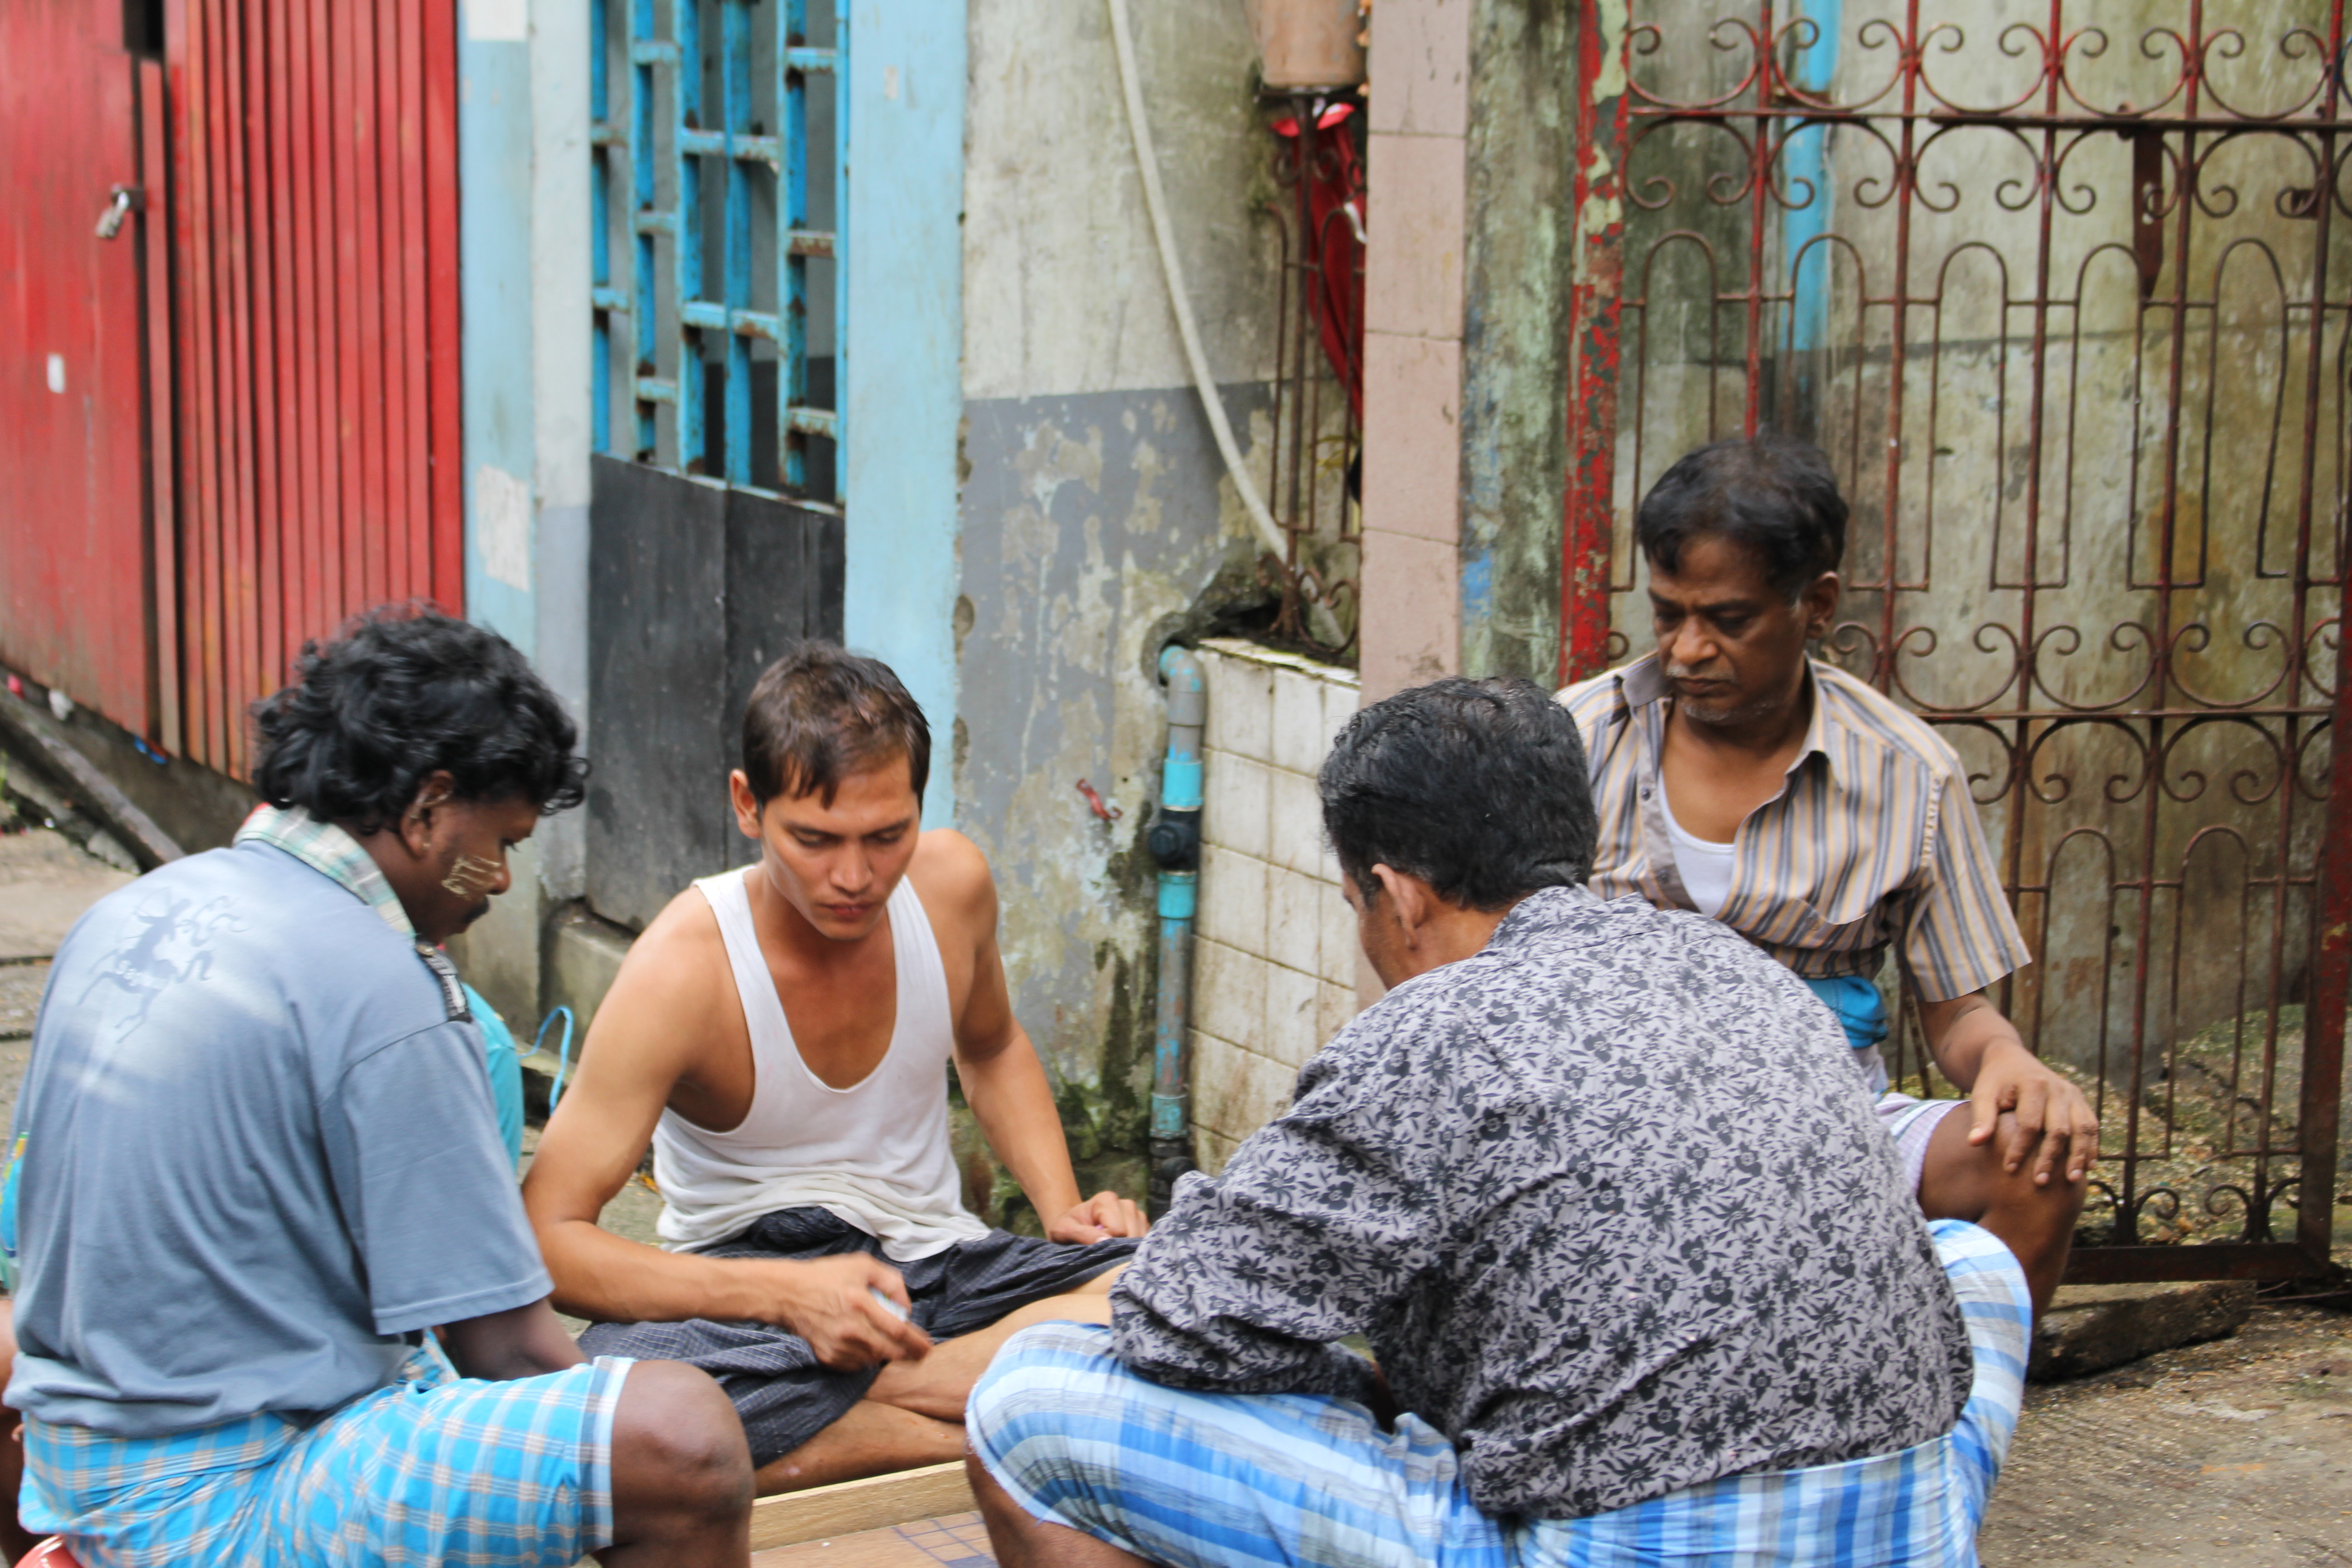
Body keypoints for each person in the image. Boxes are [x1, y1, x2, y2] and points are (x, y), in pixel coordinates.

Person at [964, 676, 2034, 1568]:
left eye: (1358, 910)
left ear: (1399, 894)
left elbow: (1177, 1322)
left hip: (1619, 1543)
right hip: (1906, 1530)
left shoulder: (1428, 1033)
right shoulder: (1737, 968)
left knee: (1026, 1402)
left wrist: (1354, 1383)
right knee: (1973, 1262)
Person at [0, 608, 754, 1568]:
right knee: (677, 1435)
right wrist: (613, 1475)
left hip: (80, 1474)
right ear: (429, 809)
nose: (501, 884)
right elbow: (509, 1351)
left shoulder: (130, 918)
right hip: (226, 1503)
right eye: (504, 842)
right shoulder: (387, 982)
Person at [522, 644, 1147, 1495]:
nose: (854, 878)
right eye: (814, 840)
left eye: (887, 837)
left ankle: (891, 1395)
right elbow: (550, 1239)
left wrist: (1064, 1210)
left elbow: (993, 1047)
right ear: (749, 804)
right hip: (744, 1299)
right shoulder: (684, 966)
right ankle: (1002, 1425)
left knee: (1164, 1294)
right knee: (617, 1414)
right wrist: (786, 1296)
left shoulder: (953, 884)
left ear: (920, 810)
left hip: (938, 1272)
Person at [1559, 434, 2096, 1308]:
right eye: (1668, 615)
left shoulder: (1907, 775)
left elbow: (1958, 1010)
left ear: (1817, 604)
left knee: (2035, 1161)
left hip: (1830, 1128)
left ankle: (1949, 1422)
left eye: (1728, 620)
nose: (1689, 650)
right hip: (1611, 1124)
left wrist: (2011, 1064)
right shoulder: (1574, 739)